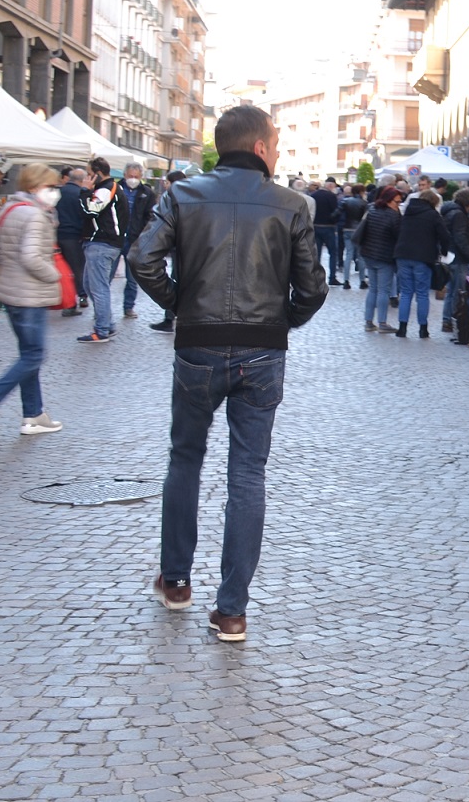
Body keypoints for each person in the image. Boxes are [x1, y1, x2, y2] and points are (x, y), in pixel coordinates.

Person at [130, 104, 327, 643]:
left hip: (198, 346)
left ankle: (175, 582)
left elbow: (142, 260)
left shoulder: (182, 195)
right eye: (279, 142)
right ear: (261, 147)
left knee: (186, 458)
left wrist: (181, 306)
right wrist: (280, 321)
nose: (281, 150)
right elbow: (313, 288)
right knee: (248, 473)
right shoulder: (291, 204)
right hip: (262, 351)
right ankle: (232, 610)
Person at [0, 163, 67, 439]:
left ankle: (34, 414)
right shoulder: (37, 216)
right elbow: (32, 258)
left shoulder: (9, 209)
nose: (55, 192)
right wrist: (54, 275)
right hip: (31, 294)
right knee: (34, 355)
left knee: (28, 354)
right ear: (35, 187)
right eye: (51, 187)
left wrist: (10, 266)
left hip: (12, 293)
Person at [392, 188, 451, 338]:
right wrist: (444, 252)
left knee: (405, 293)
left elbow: (397, 231)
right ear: (433, 202)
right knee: (422, 294)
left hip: (403, 255)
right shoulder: (433, 215)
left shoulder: (407, 213)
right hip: (423, 258)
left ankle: (402, 328)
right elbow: (444, 236)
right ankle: (423, 329)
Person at [77, 158, 125, 343]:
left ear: (97, 173)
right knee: (90, 285)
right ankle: (108, 324)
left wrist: (84, 191)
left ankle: (102, 329)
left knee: (98, 287)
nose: (87, 178)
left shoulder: (106, 189)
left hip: (102, 243)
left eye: (89, 174)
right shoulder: (108, 188)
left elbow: (91, 210)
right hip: (102, 243)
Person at [357, 186, 404, 331]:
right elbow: (399, 236)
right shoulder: (394, 216)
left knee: (373, 289)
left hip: (369, 254)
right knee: (384, 290)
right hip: (384, 256)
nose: (398, 205)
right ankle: (382, 322)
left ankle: (368, 322)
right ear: (389, 201)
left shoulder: (372, 210)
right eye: (397, 202)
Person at [116, 162, 157, 320]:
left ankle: (128, 307)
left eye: (136, 177)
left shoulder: (147, 193)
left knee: (132, 278)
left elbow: (150, 216)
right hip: (116, 238)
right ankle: (102, 308)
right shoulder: (116, 189)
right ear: (124, 175)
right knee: (106, 276)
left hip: (135, 239)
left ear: (141, 177)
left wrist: (144, 235)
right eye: (130, 176)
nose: (133, 179)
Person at [146, 171, 187, 332]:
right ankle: (171, 317)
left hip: (179, 247)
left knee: (178, 280)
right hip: (183, 247)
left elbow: (141, 260)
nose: (164, 185)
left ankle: (171, 317)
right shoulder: (192, 198)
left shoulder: (173, 200)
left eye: (167, 182)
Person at [54, 167, 90, 317]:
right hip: (74, 236)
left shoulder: (57, 193)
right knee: (77, 269)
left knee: (61, 270)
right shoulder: (80, 194)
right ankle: (79, 298)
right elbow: (85, 215)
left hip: (57, 235)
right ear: (82, 180)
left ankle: (64, 299)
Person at [441, 188, 469, 334]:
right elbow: (460, 238)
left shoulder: (449, 211)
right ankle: (452, 320)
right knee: (458, 290)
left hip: (449, 255)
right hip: (458, 257)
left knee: (451, 290)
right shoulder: (459, 215)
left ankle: (447, 320)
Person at [309, 178, 345, 286]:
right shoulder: (331, 196)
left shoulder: (314, 195)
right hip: (328, 227)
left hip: (315, 227)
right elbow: (335, 212)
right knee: (333, 253)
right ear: (331, 186)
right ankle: (332, 277)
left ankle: (316, 278)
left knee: (317, 254)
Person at [340, 183, 370, 289]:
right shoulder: (365, 203)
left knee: (348, 255)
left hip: (347, 228)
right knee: (360, 256)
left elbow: (337, 214)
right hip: (359, 230)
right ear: (362, 192)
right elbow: (366, 218)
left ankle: (346, 281)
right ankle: (362, 281)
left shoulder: (346, 201)